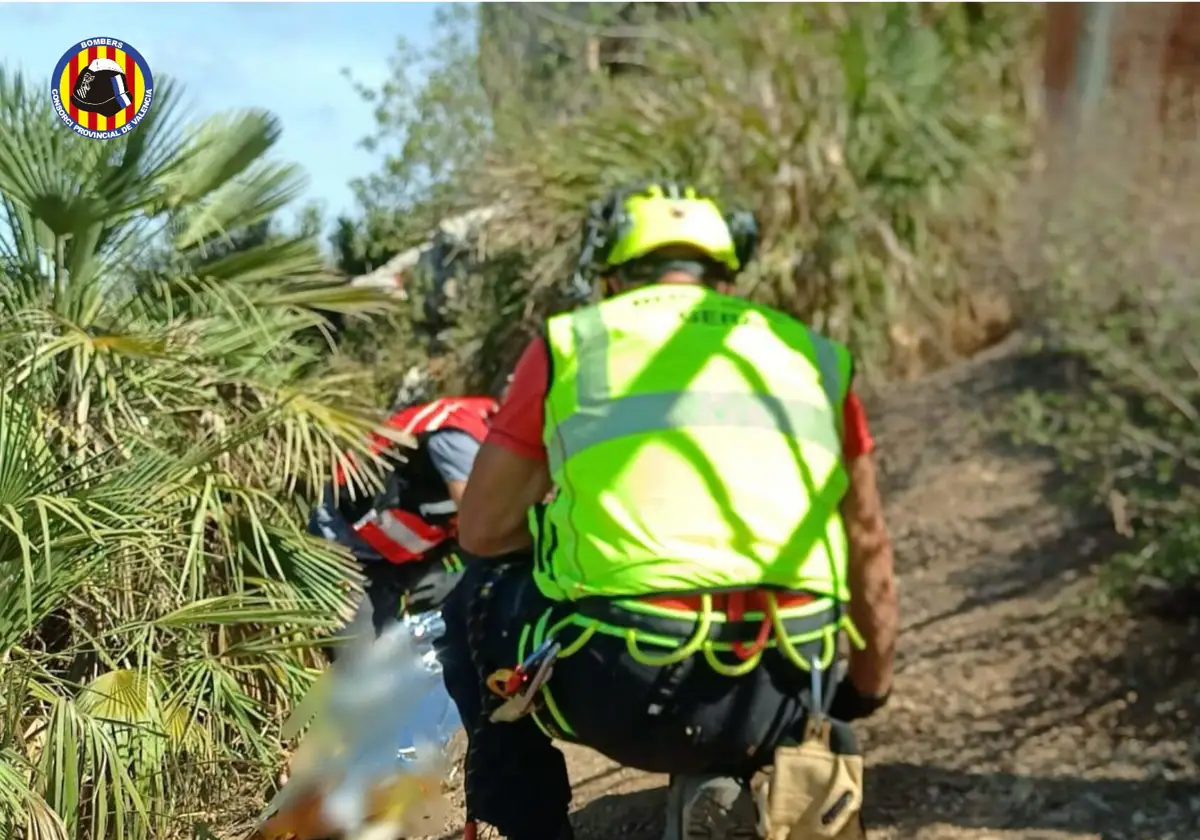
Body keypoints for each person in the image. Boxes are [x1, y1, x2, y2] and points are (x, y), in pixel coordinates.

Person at [436, 183, 899, 840]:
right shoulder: (815, 357)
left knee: (472, 595)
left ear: (612, 275)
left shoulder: (572, 345)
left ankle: (531, 827)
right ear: (726, 275)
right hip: (787, 686)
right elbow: (868, 541)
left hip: (622, 684)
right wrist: (866, 687)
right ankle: (726, 772)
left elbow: (481, 530)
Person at [307, 380, 499, 636]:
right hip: (341, 538)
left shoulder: (491, 436)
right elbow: (479, 523)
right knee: (355, 650)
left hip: (392, 560)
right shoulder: (462, 435)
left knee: (382, 649)